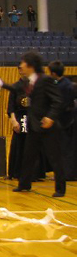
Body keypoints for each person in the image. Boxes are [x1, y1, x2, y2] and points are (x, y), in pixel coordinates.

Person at [13, 52, 66, 197]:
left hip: (49, 126)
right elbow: (15, 89)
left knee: (55, 158)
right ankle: (24, 184)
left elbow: (57, 100)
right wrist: (0, 83)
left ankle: (60, 189)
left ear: (31, 65)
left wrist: (50, 117)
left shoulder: (46, 80)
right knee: (28, 156)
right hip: (34, 125)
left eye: (23, 62)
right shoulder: (29, 81)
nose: (21, 65)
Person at [48, 61, 77, 181]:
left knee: (65, 149)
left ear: (54, 73)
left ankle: (67, 174)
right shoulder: (66, 83)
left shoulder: (62, 86)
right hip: (68, 119)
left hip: (65, 121)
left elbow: (61, 104)